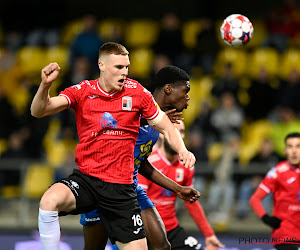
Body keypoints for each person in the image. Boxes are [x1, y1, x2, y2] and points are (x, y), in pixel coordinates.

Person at [30, 42, 196, 250]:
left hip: (122, 190)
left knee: (157, 246)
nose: (124, 72)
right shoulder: (83, 91)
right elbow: (39, 111)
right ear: (102, 65)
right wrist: (45, 85)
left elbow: (166, 127)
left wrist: (182, 150)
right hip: (88, 181)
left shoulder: (138, 93)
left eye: (126, 67)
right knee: (48, 201)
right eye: (119, 67)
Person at [80, 65, 199, 250]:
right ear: (168, 89)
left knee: (162, 245)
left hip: (130, 186)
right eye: (185, 91)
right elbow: (106, 127)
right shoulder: (135, 102)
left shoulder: (159, 122)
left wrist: (177, 189)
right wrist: (143, 120)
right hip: (101, 184)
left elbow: (139, 162)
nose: (188, 97)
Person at [138, 120, 225, 250]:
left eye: (182, 132)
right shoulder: (147, 163)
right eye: (174, 131)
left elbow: (192, 202)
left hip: (172, 229)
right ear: (162, 133)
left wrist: (209, 234)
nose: (178, 135)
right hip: (149, 231)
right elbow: (138, 203)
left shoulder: (186, 165)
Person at [249, 132, 300, 249]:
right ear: (284, 150)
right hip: (285, 236)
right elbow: (255, 199)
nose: (294, 151)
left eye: (298, 146)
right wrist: (266, 218)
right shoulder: (277, 172)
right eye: (290, 146)